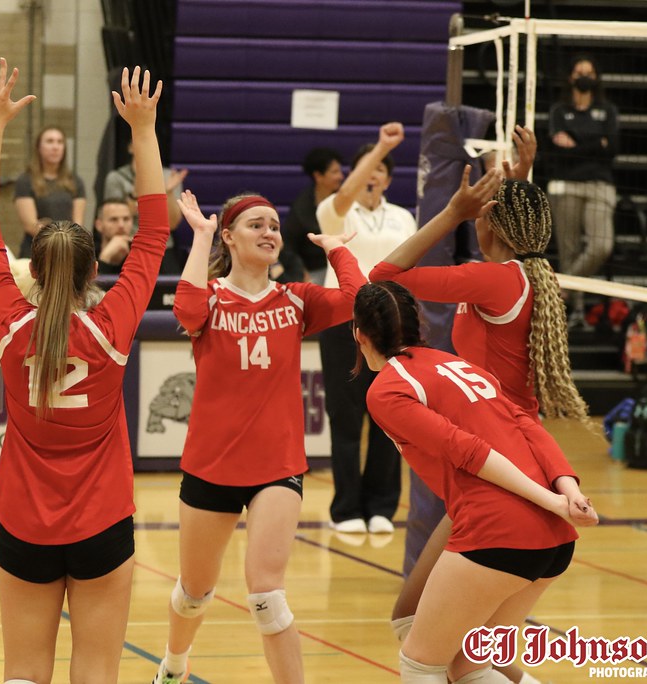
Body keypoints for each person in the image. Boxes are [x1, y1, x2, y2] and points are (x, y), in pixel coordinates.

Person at [0, 60, 168, 683]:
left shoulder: (7, 325)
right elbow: (153, 233)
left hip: (25, 523)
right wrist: (142, 129)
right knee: (97, 673)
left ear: (30, 266)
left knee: (23, 673)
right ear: (92, 274)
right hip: (102, 522)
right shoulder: (109, 330)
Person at [373, 153, 590, 684]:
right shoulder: (532, 276)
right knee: (461, 649)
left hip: (495, 463)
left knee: (429, 644)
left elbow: (383, 277)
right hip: (520, 454)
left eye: (483, 217)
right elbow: (522, 225)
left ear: (490, 223)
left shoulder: (493, 281)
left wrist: (450, 214)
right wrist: (520, 180)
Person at [151, 185, 365, 684]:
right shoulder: (211, 300)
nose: (269, 231)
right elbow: (185, 310)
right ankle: (174, 665)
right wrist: (201, 237)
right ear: (230, 235)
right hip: (212, 466)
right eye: (256, 224)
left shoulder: (296, 299)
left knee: (267, 596)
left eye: (273, 225)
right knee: (194, 593)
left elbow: (358, 300)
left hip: (277, 467)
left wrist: (337, 250)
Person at [351, 280, 598, 683]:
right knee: (468, 664)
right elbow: (527, 426)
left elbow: (466, 450)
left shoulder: (387, 390)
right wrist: (567, 494)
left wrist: (552, 500)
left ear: (359, 334)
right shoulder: (455, 363)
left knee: (420, 662)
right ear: (420, 325)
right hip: (555, 539)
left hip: (498, 531)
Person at [315, 123, 416, 535]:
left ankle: (381, 506)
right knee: (344, 415)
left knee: (389, 414)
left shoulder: (404, 217)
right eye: (364, 169)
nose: (372, 175)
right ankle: (346, 509)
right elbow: (342, 196)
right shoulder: (334, 213)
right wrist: (381, 147)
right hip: (342, 321)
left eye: (380, 169)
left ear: (390, 179)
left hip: (390, 322)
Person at [547, 54, 619, 325]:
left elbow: (612, 148)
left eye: (589, 71)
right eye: (579, 71)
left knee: (601, 245)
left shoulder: (607, 110)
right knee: (568, 250)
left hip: (600, 185)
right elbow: (556, 150)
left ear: (596, 78)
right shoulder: (558, 110)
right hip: (565, 185)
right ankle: (572, 312)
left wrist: (575, 146)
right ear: (570, 77)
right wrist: (593, 144)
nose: (584, 76)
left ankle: (561, 292)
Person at [104, 145, 187, 274]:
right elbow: (116, 214)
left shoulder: (168, 176)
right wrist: (137, 191)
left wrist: (168, 192)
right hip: (128, 244)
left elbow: (173, 223)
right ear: (130, 147)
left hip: (162, 246)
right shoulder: (116, 178)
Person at [14, 125, 86, 259]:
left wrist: (64, 242)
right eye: (50, 141)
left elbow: (78, 224)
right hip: (37, 250)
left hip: (67, 250)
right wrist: (57, 239)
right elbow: (31, 225)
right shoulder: (25, 181)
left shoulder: (75, 181)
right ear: (39, 148)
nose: (55, 147)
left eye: (60, 142)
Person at [282, 146, 344, 285]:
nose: (341, 176)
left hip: (344, 266)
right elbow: (289, 246)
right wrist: (301, 273)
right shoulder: (301, 208)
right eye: (335, 172)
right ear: (318, 176)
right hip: (316, 271)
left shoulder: (345, 200)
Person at [92, 197, 134, 274]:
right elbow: (90, 285)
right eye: (113, 219)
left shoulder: (141, 254)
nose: (121, 225)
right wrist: (105, 258)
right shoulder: (86, 255)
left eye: (126, 219)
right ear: (99, 225)